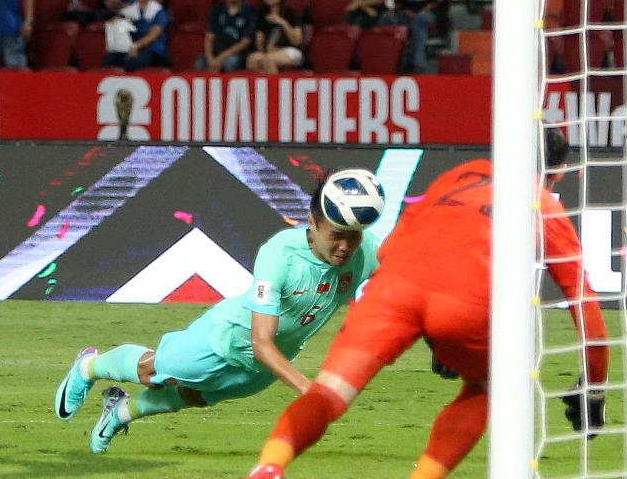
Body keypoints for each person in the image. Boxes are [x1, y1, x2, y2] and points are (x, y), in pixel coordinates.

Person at [205, 128, 609, 479]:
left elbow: (388, 249)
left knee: (328, 392)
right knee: (487, 388)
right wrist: (593, 386)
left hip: (392, 289)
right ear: (558, 173)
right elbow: (585, 304)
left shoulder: (463, 173)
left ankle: (268, 466)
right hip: (463, 302)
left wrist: (427, 329)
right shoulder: (543, 206)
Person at [53, 170, 383, 455]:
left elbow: (405, 277)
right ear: (312, 222)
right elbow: (261, 341)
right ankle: (88, 366)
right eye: (336, 236)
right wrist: (308, 388)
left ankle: (118, 413)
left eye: (353, 237)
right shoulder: (280, 255)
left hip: (271, 363)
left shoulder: (367, 251)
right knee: (155, 372)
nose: (345, 247)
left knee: (193, 397)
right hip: (226, 339)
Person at [100, 0, 168, 72]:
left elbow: (154, 35)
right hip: (131, 49)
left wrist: (136, 46)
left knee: (132, 62)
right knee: (108, 61)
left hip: (153, 50)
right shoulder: (128, 12)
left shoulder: (158, 11)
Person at [195, 0, 257, 73]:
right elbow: (209, 37)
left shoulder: (251, 12)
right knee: (199, 63)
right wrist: (210, 58)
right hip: (217, 50)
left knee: (230, 62)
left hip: (239, 53)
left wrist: (221, 58)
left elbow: (245, 42)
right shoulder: (217, 10)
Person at [246, 0, 304, 74]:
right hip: (269, 51)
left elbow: (297, 41)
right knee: (252, 59)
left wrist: (283, 23)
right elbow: (259, 43)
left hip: (290, 50)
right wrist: (265, 49)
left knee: (269, 59)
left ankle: (273, 83)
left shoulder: (291, 13)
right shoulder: (263, 16)